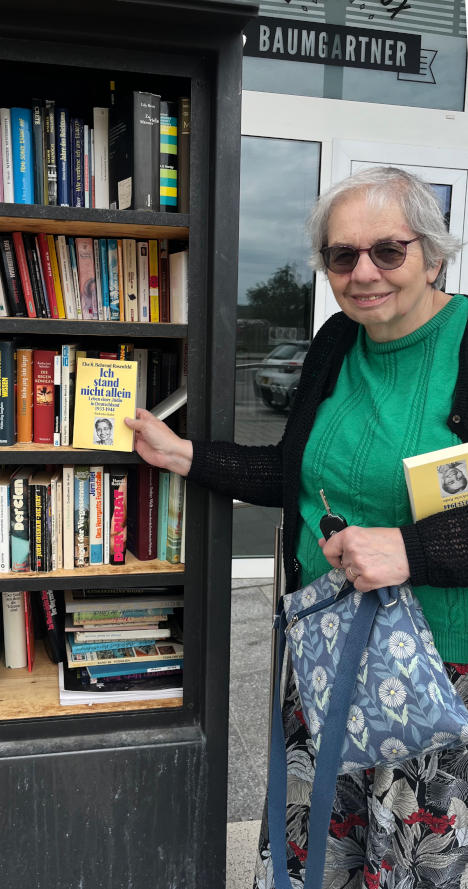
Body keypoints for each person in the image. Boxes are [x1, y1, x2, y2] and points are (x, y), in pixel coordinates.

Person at [125, 166, 468, 888]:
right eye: (341, 256)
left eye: (388, 251)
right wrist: (184, 453)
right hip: (329, 653)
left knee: (411, 866)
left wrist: (411, 548)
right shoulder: (337, 341)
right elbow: (292, 468)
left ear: (434, 254)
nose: (363, 272)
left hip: (440, 678)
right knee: (320, 859)